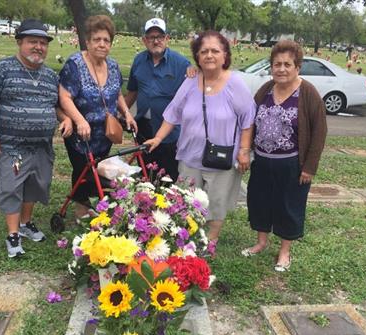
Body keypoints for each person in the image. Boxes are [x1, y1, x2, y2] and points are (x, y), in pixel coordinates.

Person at [144, 31, 255, 242]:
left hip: (222, 156)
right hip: (190, 154)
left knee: (216, 200)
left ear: (225, 55)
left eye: (215, 51)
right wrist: (158, 138)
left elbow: (247, 119)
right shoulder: (190, 81)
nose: (209, 55)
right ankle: (187, 235)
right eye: (204, 51)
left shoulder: (235, 84)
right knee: (186, 198)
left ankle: (210, 240)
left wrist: (243, 151)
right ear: (197, 56)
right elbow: (173, 112)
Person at [0, 19, 72, 258]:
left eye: (43, 43)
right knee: (12, 187)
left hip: (41, 146)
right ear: (20, 42)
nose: (38, 47)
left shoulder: (51, 76)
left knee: (35, 185)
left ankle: (25, 223)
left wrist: (66, 119)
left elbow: (54, 106)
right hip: (12, 146)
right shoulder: (2, 69)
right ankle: (12, 235)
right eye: (33, 41)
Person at [241, 40, 326, 272]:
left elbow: (319, 132)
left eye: (287, 64)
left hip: (292, 164)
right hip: (262, 162)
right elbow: (249, 121)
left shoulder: (307, 93)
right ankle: (261, 242)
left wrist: (309, 167)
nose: (281, 69)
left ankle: (285, 251)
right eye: (276, 64)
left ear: (297, 66)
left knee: (289, 205)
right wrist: (245, 150)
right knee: (260, 201)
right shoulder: (265, 89)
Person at [59, 15, 136, 219]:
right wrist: (79, 120)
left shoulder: (113, 66)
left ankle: (93, 205)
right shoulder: (75, 64)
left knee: (98, 170)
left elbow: (118, 94)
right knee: (83, 171)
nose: (102, 44)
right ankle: (81, 211)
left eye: (106, 40)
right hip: (81, 134)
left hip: (104, 134)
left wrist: (127, 114)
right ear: (88, 41)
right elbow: (64, 96)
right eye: (97, 39)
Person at [124, 18, 190, 181]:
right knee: (145, 174)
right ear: (144, 40)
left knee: (167, 177)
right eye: (151, 37)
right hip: (143, 128)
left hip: (170, 132)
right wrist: (122, 114)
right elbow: (132, 91)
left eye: (160, 36)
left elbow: (190, 100)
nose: (156, 41)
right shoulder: (139, 60)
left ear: (167, 38)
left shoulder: (181, 64)